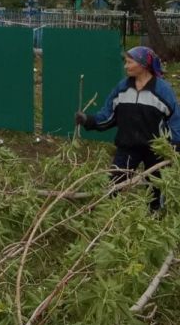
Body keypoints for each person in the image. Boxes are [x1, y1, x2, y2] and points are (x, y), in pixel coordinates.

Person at [75, 46, 180, 211]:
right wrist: (89, 120)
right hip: (127, 146)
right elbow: (108, 115)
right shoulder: (122, 88)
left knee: (156, 189)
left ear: (143, 65)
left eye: (129, 62)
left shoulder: (162, 90)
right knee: (114, 185)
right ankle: (108, 218)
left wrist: (176, 143)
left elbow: (175, 119)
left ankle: (155, 220)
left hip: (157, 150)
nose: (126, 66)